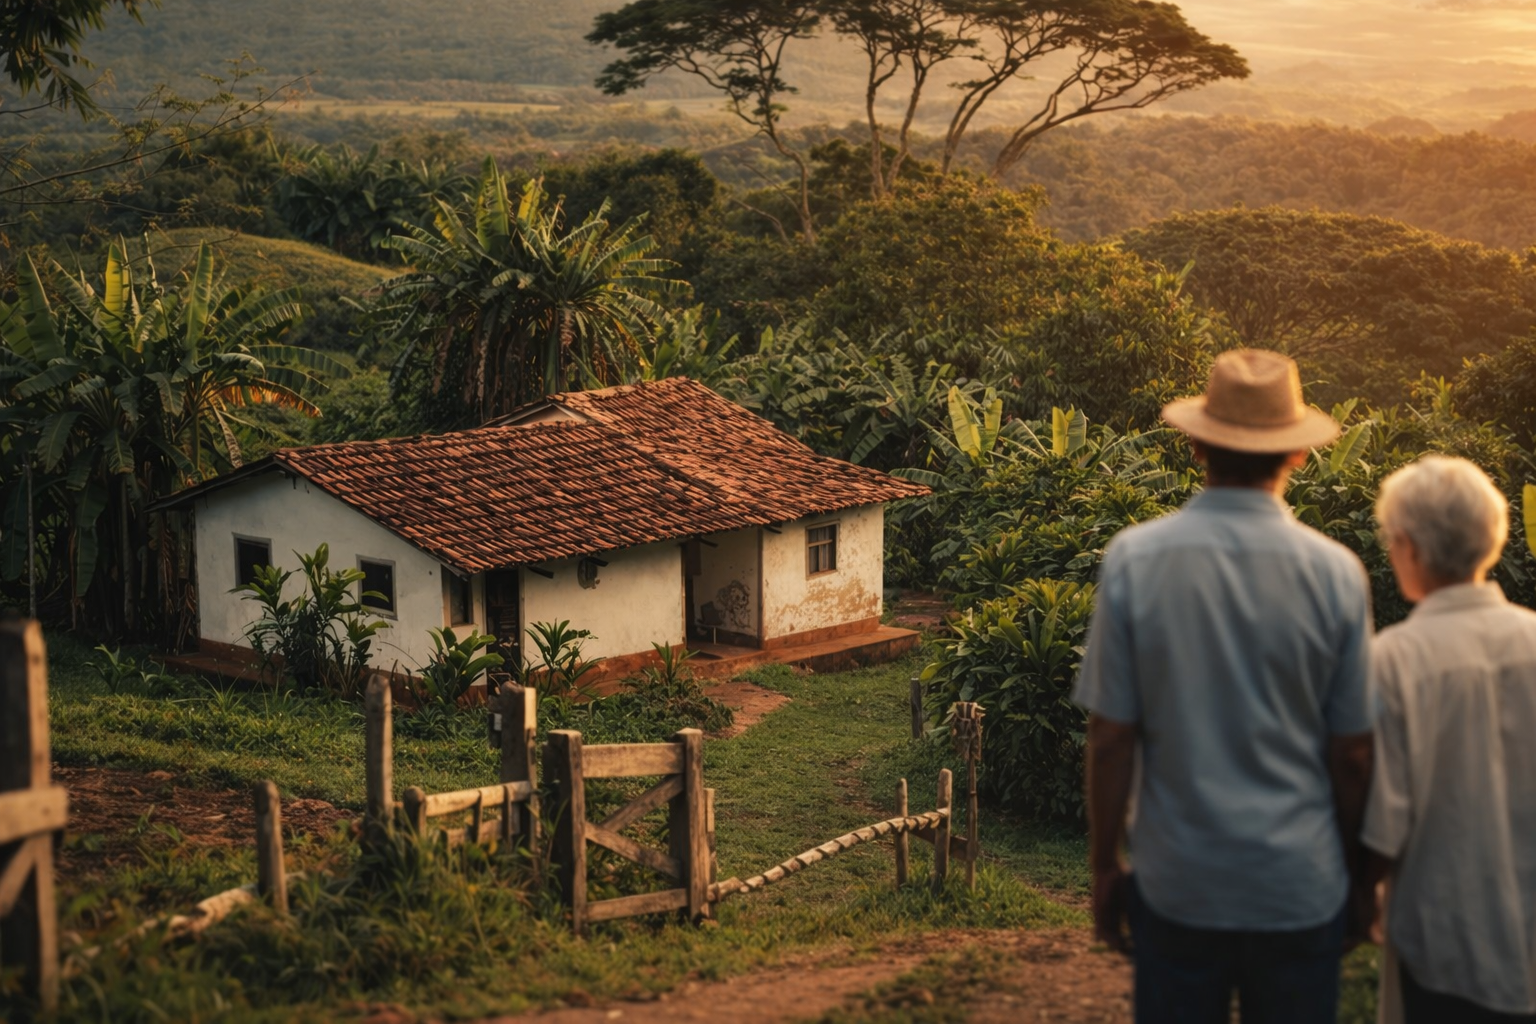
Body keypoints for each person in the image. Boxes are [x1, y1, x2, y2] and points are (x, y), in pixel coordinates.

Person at [1073, 348, 1376, 1023]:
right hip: (1299, 888)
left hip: (1180, 885)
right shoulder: (1337, 573)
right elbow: (1353, 752)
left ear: (1196, 444)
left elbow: (1112, 734)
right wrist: (1359, 875)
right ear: (1297, 454)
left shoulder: (1136, 559)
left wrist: (1103, 866)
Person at [1363, 456, 1536, 1023]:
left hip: (1443, 944)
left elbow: (1381, 824)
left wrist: (1357, 902)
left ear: (1409, 547)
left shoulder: (1395, 659)